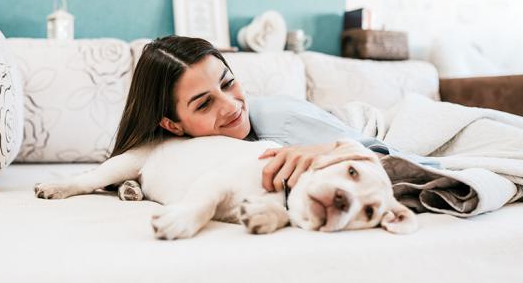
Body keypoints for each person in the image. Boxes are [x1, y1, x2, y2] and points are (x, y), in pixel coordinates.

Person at [111, 35, 430, 193]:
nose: (231, 106)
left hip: (371, 125)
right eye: (204, 104)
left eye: (228, 83)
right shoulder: (169, 150)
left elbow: (403, 163)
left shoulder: (283, 124)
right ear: (172, 125)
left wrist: (329, 150)